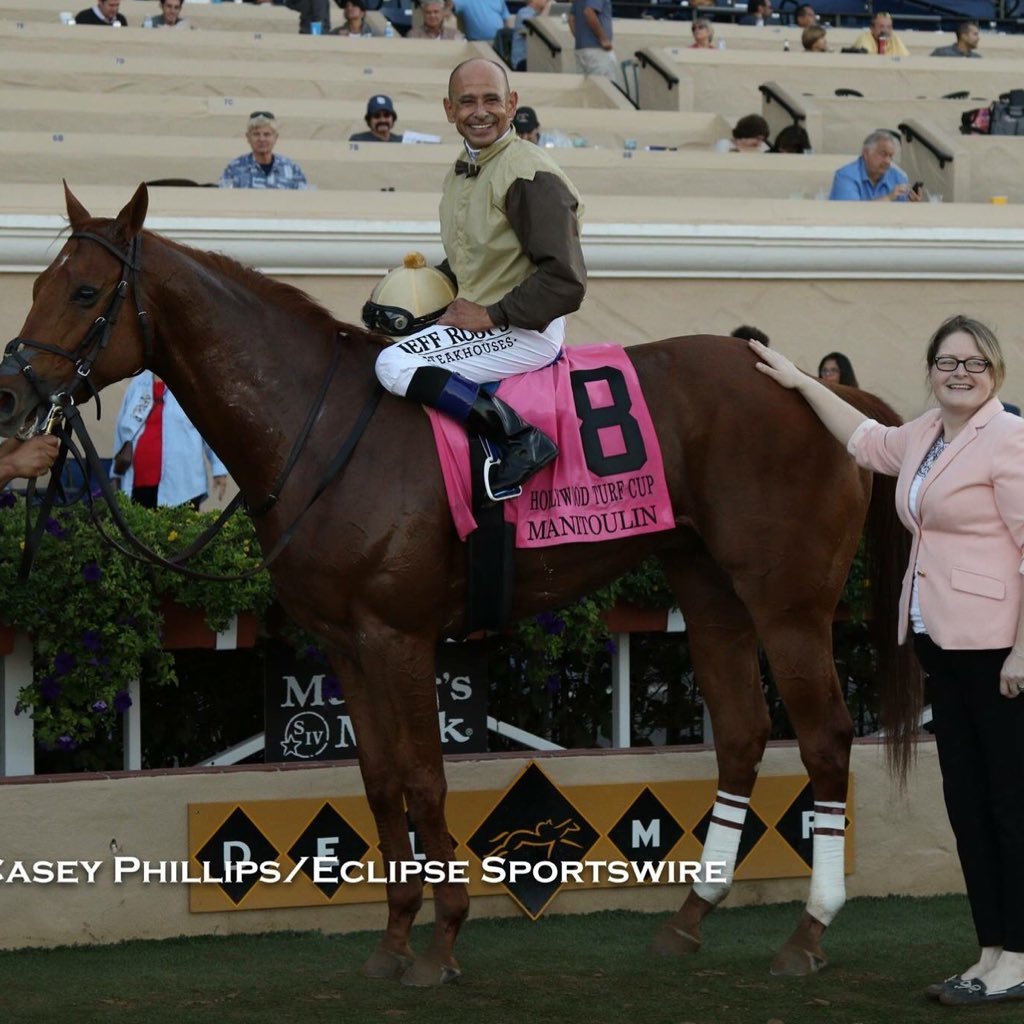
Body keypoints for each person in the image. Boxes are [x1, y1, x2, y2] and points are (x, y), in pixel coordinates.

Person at [750, 315, 1024, 1008]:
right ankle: (991, 952)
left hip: (1000, 655)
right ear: (930, 370)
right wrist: (799, 380)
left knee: (1008, 807)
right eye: (947, 362)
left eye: (974, 363)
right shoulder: (928, 435)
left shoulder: (1010, 439)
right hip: (944, 646)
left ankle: (1019, 956)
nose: (960, 373)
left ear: (995, 372)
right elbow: (864, 440)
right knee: (968, 806)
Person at [371, 58, 586, 499]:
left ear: (512, 104)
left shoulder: (529, 173)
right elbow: (475, 259)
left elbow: (566, 281)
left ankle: (519, 439)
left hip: (527, 328)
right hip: (489, 317)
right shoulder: (462, 169)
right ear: (449, 110)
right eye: (467, 102)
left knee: (392, 364)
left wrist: (490, 314)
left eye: (491, 99)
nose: (480, 111)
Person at [112, 371, 228, 510]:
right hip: (137, 483)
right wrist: (116, 473)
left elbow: (209, 429)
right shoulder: (138, 383)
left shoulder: (189, 383)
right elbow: (121, 430)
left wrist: (219, 468)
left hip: (182, 486)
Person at [218, 112, 309, 190]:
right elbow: (223, 200)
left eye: (267, 134)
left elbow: (304, 201)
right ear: (248, 138)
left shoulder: (291, 169)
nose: (261, 139)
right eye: (256, 134)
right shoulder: (234, 168)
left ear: (275, 138)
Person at [828, 130, 919, 202]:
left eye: (890, 156)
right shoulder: (846, 176)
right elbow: (851, 213)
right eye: (883, 154)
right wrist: (889, 198)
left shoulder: (898, 178)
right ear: (866, 154)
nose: (888, 161)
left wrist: (911, 204)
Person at [569, 0, 620, 85]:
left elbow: (571, 19)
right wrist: (603, 39)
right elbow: (589, 12)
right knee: (605, 90)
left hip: (581, 50)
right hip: (598, 51)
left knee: (586, 92)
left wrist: (580, 38)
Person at [510, 0, 550, 71]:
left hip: (535, 61)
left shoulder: (540, 14)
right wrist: (547, 9)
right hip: (522, 62)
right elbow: (537, 29)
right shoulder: (523, 12)